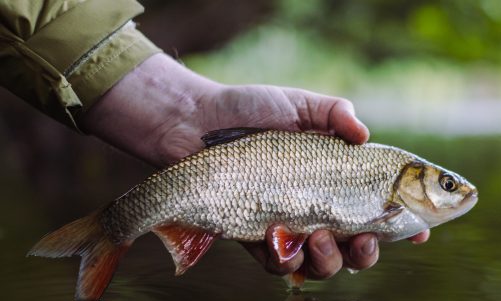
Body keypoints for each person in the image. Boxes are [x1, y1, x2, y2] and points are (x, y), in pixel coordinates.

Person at [0, 0, 429, 281]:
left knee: (295, 250)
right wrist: (190, 110)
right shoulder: (390, 189)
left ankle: (109, 233)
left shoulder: (392, 191)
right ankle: (109, 230)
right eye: (446, 184)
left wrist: (192, 107)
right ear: (410, 179)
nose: (454, 191)